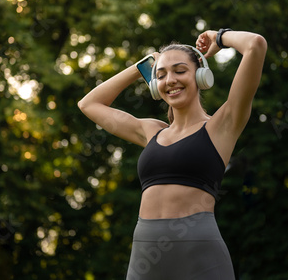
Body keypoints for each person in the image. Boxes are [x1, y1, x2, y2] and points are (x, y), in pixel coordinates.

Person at [78, 28, 267, 279]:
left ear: (201, 76)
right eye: (162, 75)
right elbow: (89, 104)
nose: (170, 80)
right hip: (145, 258)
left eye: (180, 71)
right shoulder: (151, 131)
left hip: (200, 254)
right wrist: (142, 67)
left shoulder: (221, 126)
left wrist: (217, 37)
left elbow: (256, 44)